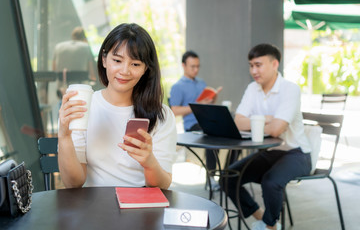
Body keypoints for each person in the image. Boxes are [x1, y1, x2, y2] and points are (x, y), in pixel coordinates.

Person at [57, 23, 177, 189]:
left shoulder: (161, 115)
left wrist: (149, 162)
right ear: (104, 60)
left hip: (140, 208)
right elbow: (73, 182)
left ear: (146, 69)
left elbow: (163, 185)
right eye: (117, 60)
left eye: (135, 64)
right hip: (93, 207)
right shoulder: (83, 108)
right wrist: (64, 136)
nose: (125, 71)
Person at [224, 43, 312, 230]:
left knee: (270, 182)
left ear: (274, 64)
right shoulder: (252, 88)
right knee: (227, 177)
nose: (253, 70)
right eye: (251, 65)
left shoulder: (290, 89)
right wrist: (268, 118)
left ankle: (271, 227)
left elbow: (276, 130)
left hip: (296, 153)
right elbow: (238, 122)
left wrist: (260, 122)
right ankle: (263, 217)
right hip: (269, 152)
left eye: (258, 65)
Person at [169, 50, 222, 190]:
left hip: (207, 121)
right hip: (193, 125)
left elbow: (206, 105)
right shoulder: (177, 87)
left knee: (230, 132)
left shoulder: (201, 83)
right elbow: (174, 111)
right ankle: (211, 178)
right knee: (211, 137)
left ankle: (225, 176)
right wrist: (197, 106)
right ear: (184, 65)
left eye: (198, 66)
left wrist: (212, 99)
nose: (196, 69)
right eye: (192, 66)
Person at [53, 26, 97, 98]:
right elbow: (92, 75)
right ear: (84, 37)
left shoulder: (58, 46)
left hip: (62, 90)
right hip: (81, 91)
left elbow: (54, 70)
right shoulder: (86, 47)